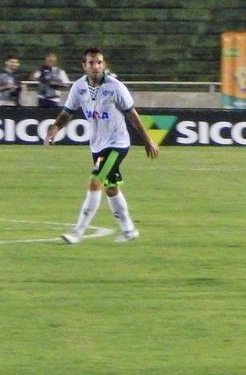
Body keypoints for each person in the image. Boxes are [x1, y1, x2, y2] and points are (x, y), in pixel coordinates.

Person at [44, 47, 160, 244]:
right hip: (97, 145)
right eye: (91, 63)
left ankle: (77, 232)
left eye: (99, 62)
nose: (96, 66)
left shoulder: (116, 87)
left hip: (117, 143)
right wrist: (55, 128)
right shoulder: (79, 87)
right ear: (84, 66)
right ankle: (129, 230)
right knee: (111, 188)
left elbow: (132, 114)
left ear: (104, 65)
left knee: (95, 180)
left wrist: (147, 139)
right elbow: (67, 112)